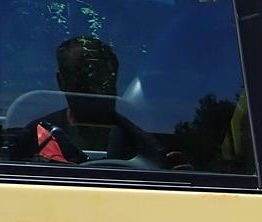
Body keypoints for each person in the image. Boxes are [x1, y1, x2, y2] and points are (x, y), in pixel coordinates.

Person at [18, 36, 162, 166]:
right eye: (82, 78)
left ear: (115, 80)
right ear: (61, 81)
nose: (94, 89)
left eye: (104, 79)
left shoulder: (141, 143)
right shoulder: (37, 136)